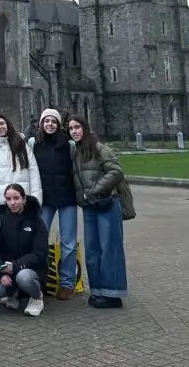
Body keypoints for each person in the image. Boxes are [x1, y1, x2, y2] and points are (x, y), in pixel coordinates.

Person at [67, 115, 128, 309]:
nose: (74, 131)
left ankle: (113, 294)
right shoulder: (75, 152)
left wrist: (94, 190)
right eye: (71, 128)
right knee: (92, 250)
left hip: (106, 203)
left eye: (77, 127)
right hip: (89, 207)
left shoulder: (100, 149)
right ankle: (98, 290)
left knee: (109, 248)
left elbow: (116, 171)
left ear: (85, 128)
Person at [30, 107, 79, 300]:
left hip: (67, 198)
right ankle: (40, 281)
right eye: (46, 121)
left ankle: (67, 283)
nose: (50, 124)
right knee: (40, 240)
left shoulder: (69, 145)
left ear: (58, 125)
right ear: (41, 123)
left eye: (53, 121)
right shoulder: (33, 143)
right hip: (45, 199)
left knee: (68, 243)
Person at [0, 183, 48, 317]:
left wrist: (16, 266)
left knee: (23, 277)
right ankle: (15, 294)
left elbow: (40, 253)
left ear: (24, 199)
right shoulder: (0, 221)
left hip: (31, 270)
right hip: (8, 270)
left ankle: (37, 297)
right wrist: (0, 274)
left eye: (16, 198)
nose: (12, 203)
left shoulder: (36, 221)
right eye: (8, 199)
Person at [0, 114, 41, 223]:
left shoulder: (22, 144)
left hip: (23, 203)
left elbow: (34, 174)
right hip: (1, 204)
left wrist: (36, 202)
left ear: (7, 124)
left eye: (1, 123)